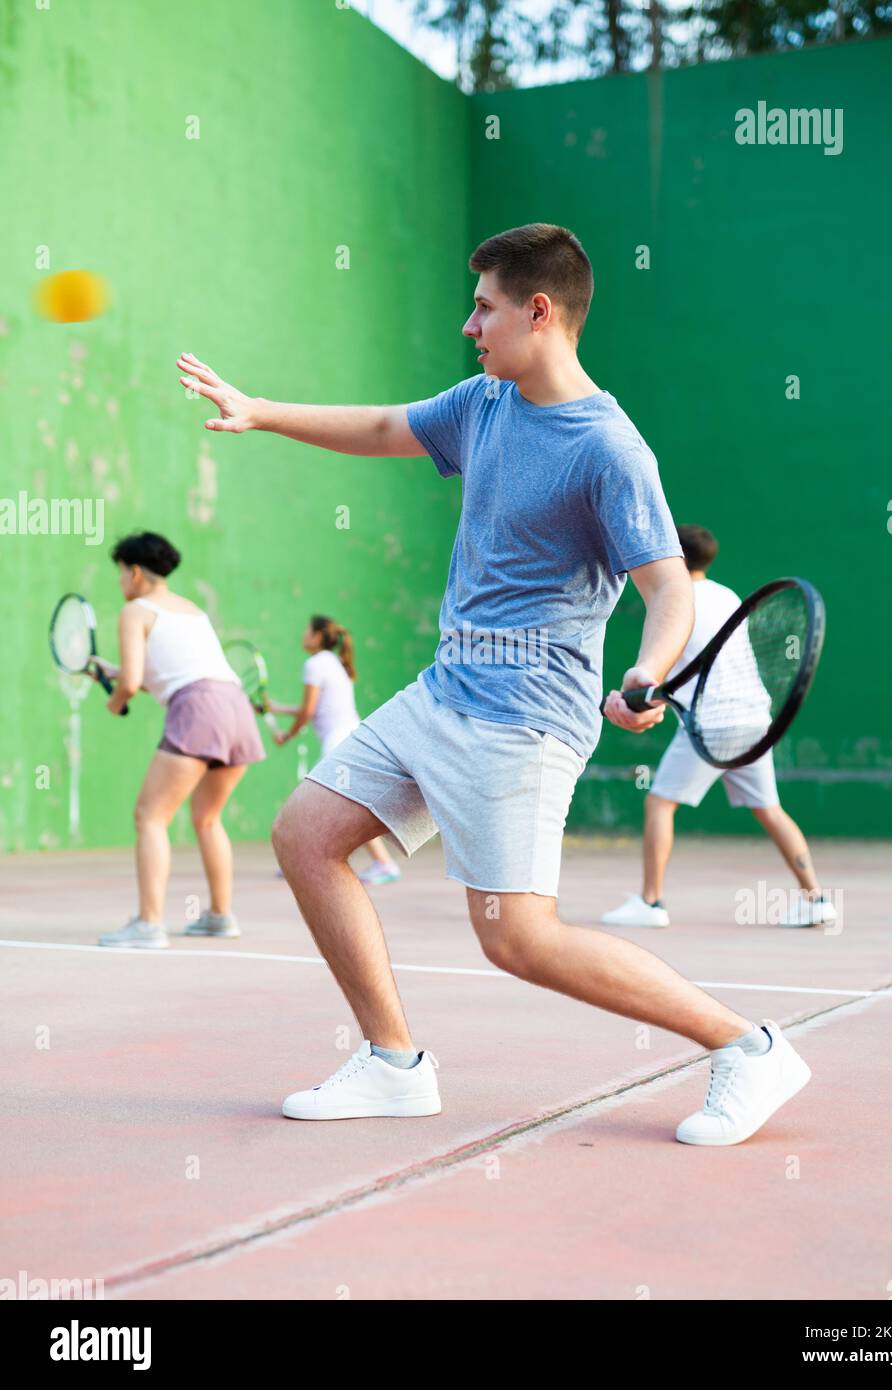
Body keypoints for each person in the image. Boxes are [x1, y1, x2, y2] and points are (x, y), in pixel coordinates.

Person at [176, 222, 812, 1146]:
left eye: (484, 307)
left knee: (517, 940)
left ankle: (746, 1047)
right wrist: (261, 409)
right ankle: (393, 1067)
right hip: (443, 692)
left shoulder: (609, 450)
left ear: (538, 311)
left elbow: (667, 587)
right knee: (306, 834)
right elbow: (391, 425)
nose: (469, 325)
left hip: (525, 723)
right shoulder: (483, 404)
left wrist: (647, 670)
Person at [602, 525, 836, 931]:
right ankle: (815, 897)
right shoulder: (726, 595)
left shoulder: (672, 601)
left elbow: (658, 673)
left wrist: (626, 702)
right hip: (754, 720)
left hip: (711, 722)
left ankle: (651, 903)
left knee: (659, 802)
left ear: (673, 555)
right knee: (769, 809)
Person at [94, 531, 264, 949]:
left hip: (199, 708)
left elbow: (135, 684)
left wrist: (116, 700)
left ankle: (149, 924)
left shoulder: (135, 611)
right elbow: (170, 677)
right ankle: (220, 916)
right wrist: (114, 673)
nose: (121, 584)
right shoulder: (191, 611)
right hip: (235, 707)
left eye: (120, 574)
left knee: (149, 816)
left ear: (134, 573)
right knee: (207, 818)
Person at [268, 615, 401, 884]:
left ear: (317, 636)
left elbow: (308, 711)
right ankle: (379, 862)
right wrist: (278, 709)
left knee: (313, 802)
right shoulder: (333, 664)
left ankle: (382, 863)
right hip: (352, 737)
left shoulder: (315, 664)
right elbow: (317, 709)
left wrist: (288, 735)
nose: (303, 635)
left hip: (339, 741)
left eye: (307, 631)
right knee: (342, 803)